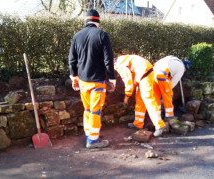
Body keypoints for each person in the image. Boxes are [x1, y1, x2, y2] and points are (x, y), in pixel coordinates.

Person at [68, 9, 116, 149]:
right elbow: (108, 60)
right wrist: (112, 80)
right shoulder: (102, 35)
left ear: (86, 21)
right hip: (97, 82)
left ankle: (89, 135)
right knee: (96, 111)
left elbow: (72, 60)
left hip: (83, 81)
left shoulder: (77, 36)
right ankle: (93, 141)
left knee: (87, 110)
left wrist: (74, 78)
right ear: (98, 21)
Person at [114, 55, 166, 137]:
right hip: (145, 75)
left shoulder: (119, 65)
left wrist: (127, 96)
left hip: (145, 75)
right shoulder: (123, 59)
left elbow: (128, 80)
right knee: (140, 100)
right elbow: (133, 75)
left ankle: (160, 125)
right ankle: (138, 124)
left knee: (148, 100)